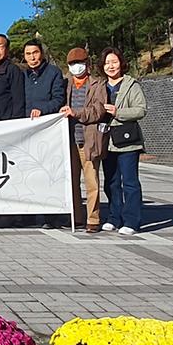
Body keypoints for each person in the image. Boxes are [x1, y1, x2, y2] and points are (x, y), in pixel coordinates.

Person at [100, 47, 147, 236]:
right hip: (107, 140)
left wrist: (118, 112)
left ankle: (132, 221)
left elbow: (141, 110)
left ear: (121, 63)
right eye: (107, 63)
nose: (111, 66)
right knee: (111, 183)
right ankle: (114, 217)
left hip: (128, 141)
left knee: (130, 182)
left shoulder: (131, 84)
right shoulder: (101, 86)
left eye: (114, 62)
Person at [59, 47, 108, 232]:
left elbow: (99, 110)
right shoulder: (66, 85)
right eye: (72, 64)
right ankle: (76, 217)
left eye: (79, 63)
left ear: (87, 64)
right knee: (71, 181)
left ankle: (93, 219)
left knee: (91, 181)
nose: (76, 67)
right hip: (68, 140)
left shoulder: (98, 84)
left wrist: (76, 112)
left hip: (87, 140)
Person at [23, 40, 65, 118]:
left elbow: (59, 99)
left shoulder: (54, 72)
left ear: (42, 54)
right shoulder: (22, 75)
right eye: (28, 54)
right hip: (26, 123)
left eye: (35, 53)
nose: (32, 58)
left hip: (47, 122)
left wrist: (42, 110)